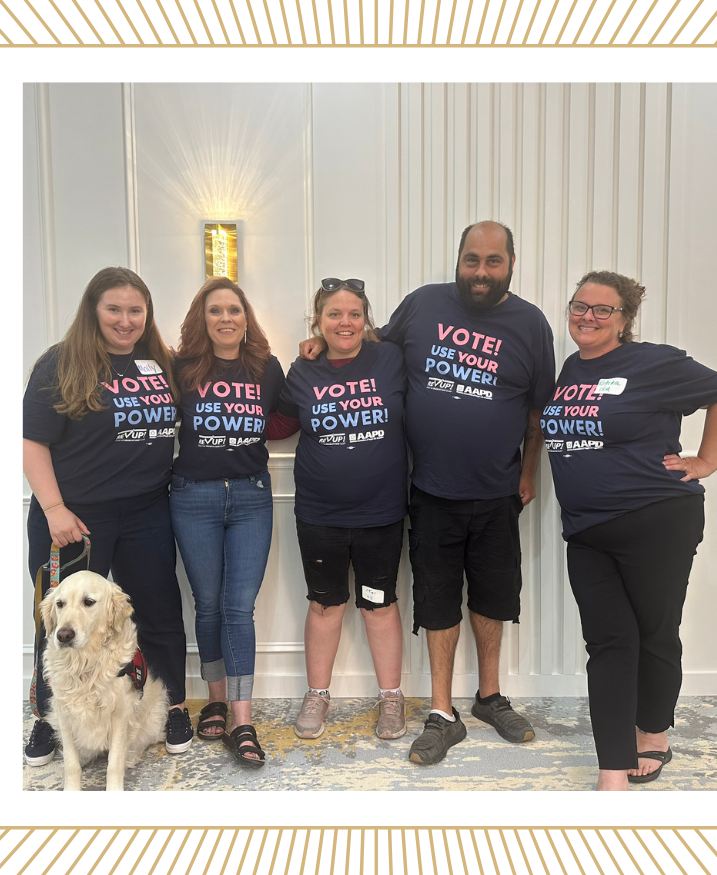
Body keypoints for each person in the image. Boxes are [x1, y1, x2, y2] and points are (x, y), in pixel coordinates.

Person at [301, 222, 556, 765]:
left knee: (492, 598)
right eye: (471, 260)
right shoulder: (423, 306)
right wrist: (322, 340)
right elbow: (368, 342)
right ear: (458, 260)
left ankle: (489, 696)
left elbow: (538, 409)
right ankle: (442, 712)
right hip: (430, 489)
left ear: (512, 261)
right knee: (438, 601)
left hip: (497, 490)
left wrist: (529, 470)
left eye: (492, 260)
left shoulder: (531, 323)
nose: (480, 271)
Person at [541, 270, 717, 791]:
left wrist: (708, 460)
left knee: (654, 634)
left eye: (603, 309)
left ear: (625, 319)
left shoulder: (654, 361)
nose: (588, 316)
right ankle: (612, 772)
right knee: (607, 641)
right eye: (581, 306)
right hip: (585, 529)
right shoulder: (570, 368)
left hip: (657, 519)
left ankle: (653, 732)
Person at [23, 266, 192, 765]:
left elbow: (221, 371)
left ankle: (173, 706)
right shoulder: (60, 364)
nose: (125, 320)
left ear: (148, 314)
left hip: (146, 511)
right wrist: (54, 509)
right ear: (93, 310)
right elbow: (32, 443)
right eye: (113, 309)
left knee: (160, 614)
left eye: (135, 310)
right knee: (61, 623)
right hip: (73, 517)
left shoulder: (162, 361)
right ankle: (49, 719)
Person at [277, 279, 408, 741]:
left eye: (354, 314)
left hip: (381, 512)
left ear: (367, 320)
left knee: (379, 605)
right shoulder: (302, 369)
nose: (345, 322)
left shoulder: (390, 358)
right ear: (319, 322)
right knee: (325, 605)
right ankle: (318, 693)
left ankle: (391, 697)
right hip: (320, 513)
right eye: (334, 314)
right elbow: (278, 422)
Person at [170, 277, 286, 768]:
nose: (225, 318)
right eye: (215, 310)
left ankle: (241, 718)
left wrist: (319, 341)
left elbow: (291, 411)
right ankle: (214, 697)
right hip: (192, 496)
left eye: (234, 310)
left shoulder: (265, 366)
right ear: (203, 318)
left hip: (251, 497)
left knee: (239, 609)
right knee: (209, 605)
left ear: (245, 318)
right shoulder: (181, 368)